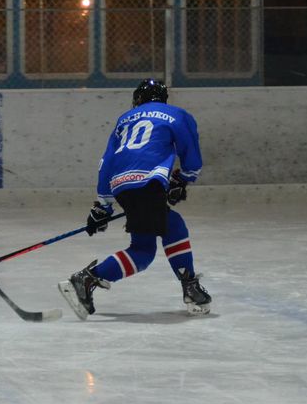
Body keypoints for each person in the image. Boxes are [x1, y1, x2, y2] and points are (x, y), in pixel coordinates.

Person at [58, 78, 212, 319]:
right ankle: (86, 279)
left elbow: (107, 161)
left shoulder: (124, 120)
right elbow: (190, 153)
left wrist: (103, 205)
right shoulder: (177, 114)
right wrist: (183, 179)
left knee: (153, 240)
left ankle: (188, 286)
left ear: (137, 99)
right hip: (148, 182)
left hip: (121, 184)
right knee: (150, 244)